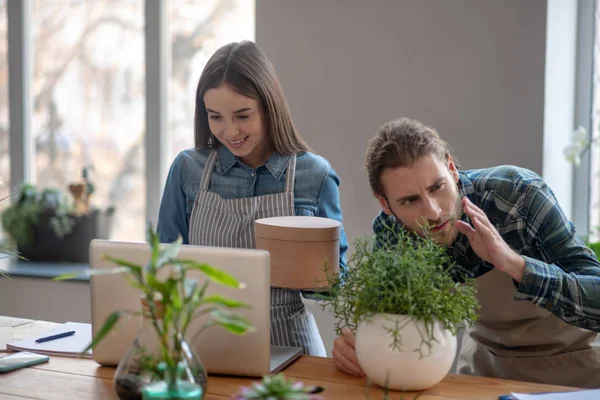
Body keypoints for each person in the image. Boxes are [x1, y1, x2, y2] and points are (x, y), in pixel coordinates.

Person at [332, 117, 600, 387]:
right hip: (486, 374)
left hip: (575, 370)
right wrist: (357, 345)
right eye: (410, 201)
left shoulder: (518, 197)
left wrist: (514, 264)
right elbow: (388, 325)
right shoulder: (393, 234)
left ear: (451, 168)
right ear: (385, 204)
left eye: (437, 187)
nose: (433, 212)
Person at [157, 41, 348, 357]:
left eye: (242, 116)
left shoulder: (314, 176)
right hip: (206, 344)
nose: (230, 131)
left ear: (268, 106)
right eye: (215, 117)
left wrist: (315, 274)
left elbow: (335, 285)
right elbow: (164, 265)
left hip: (291, 345)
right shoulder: (187, 170)